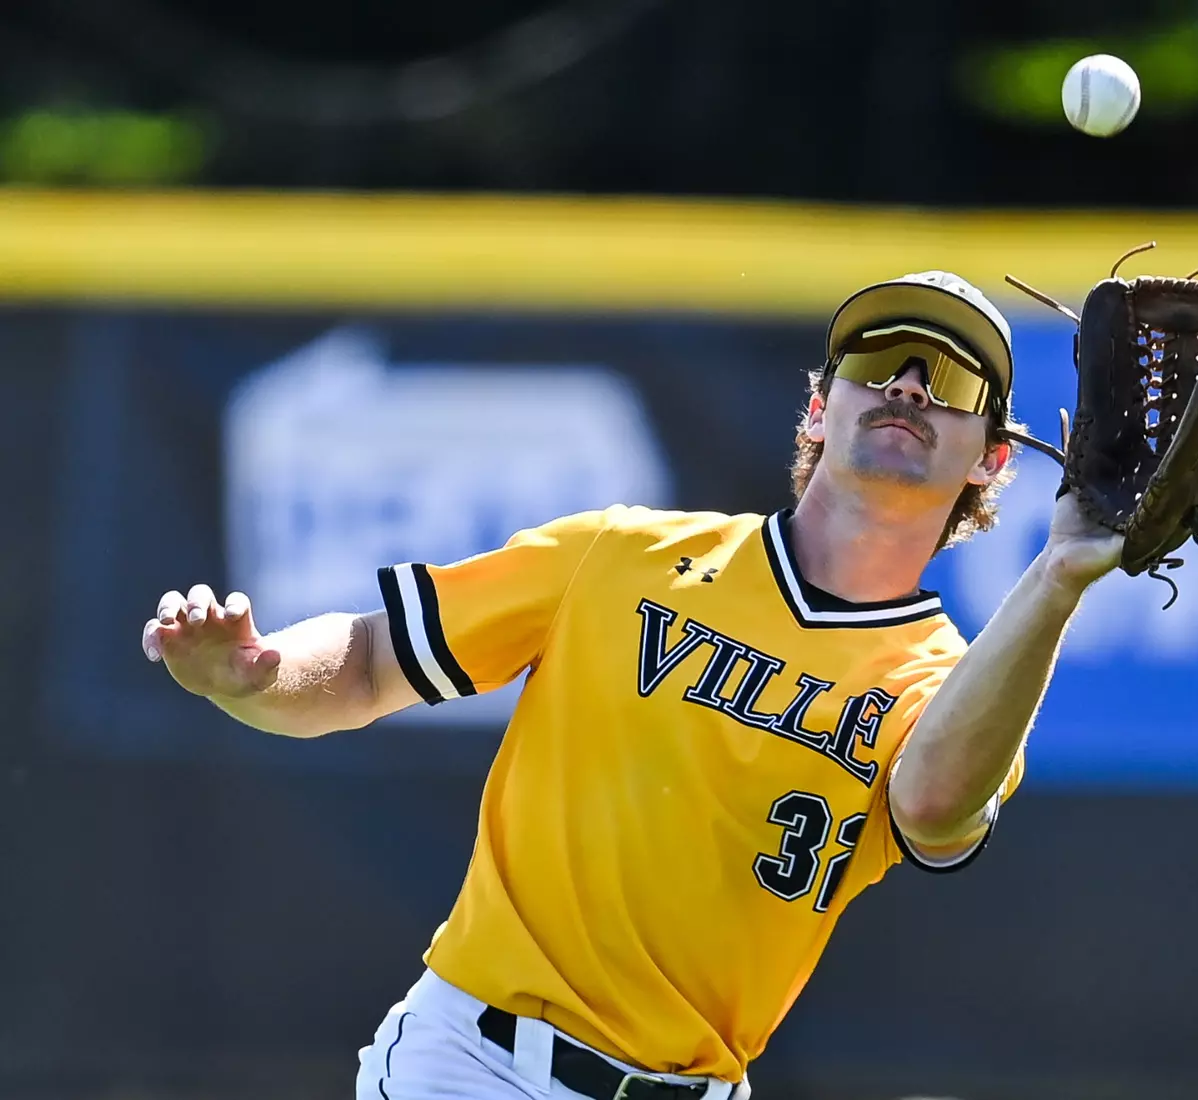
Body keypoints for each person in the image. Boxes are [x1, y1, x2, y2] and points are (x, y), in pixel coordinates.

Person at [140, 270, 1122, 1100]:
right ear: (821, 405)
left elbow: (934, 807)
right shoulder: (619, 554)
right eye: (875, 362)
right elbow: (363, 663)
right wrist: (256, 673)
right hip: (478, 1063)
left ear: (992, 459)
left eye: (947, 377)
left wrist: (1057, 573)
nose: (906, 385)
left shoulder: (949, 685)